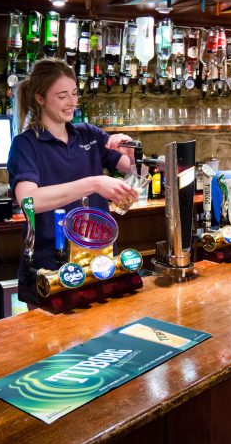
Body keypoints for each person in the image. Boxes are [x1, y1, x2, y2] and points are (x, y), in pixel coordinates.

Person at [7, 58, 138, 300]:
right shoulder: (25, 145)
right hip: (52, 268)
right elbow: (29, 201)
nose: (72, 102)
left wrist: (129, 150)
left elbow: (131, 172)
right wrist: (94, 183)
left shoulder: (89, 134)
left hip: (100, 260)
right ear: (39, 98)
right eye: (62, 96)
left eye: (75, 94)